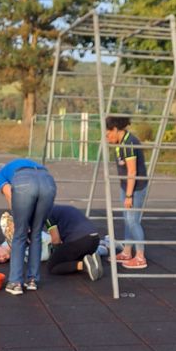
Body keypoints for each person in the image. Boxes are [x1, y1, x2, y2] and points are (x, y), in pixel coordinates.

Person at [0, 158, 56, 295]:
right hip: (48, 182)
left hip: (25, 184)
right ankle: (33, 280)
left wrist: (19, 221)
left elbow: (10, 194)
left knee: (19, 235)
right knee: (36, 233)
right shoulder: (19, 164)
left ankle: (15, 282)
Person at [105, 114, 148, 269]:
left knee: (132, 221)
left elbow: (132, 171)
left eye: (108, 134)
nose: (107, 137)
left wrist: (129, 195)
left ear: (115, 130)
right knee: (127, 219)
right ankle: (127, 252)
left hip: (135, 187)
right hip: (126, 186)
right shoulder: (120, 142)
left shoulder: (129, 143)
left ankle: (140, 257)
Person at [45, 204, 103, 280]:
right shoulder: (62, 208)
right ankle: (92, 262)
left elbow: (56, 240)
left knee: (52, 266)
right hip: (95, 240)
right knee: (71, 259)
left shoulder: (46, 214)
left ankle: (83, 265)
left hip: (80, 241)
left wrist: (55, 254)